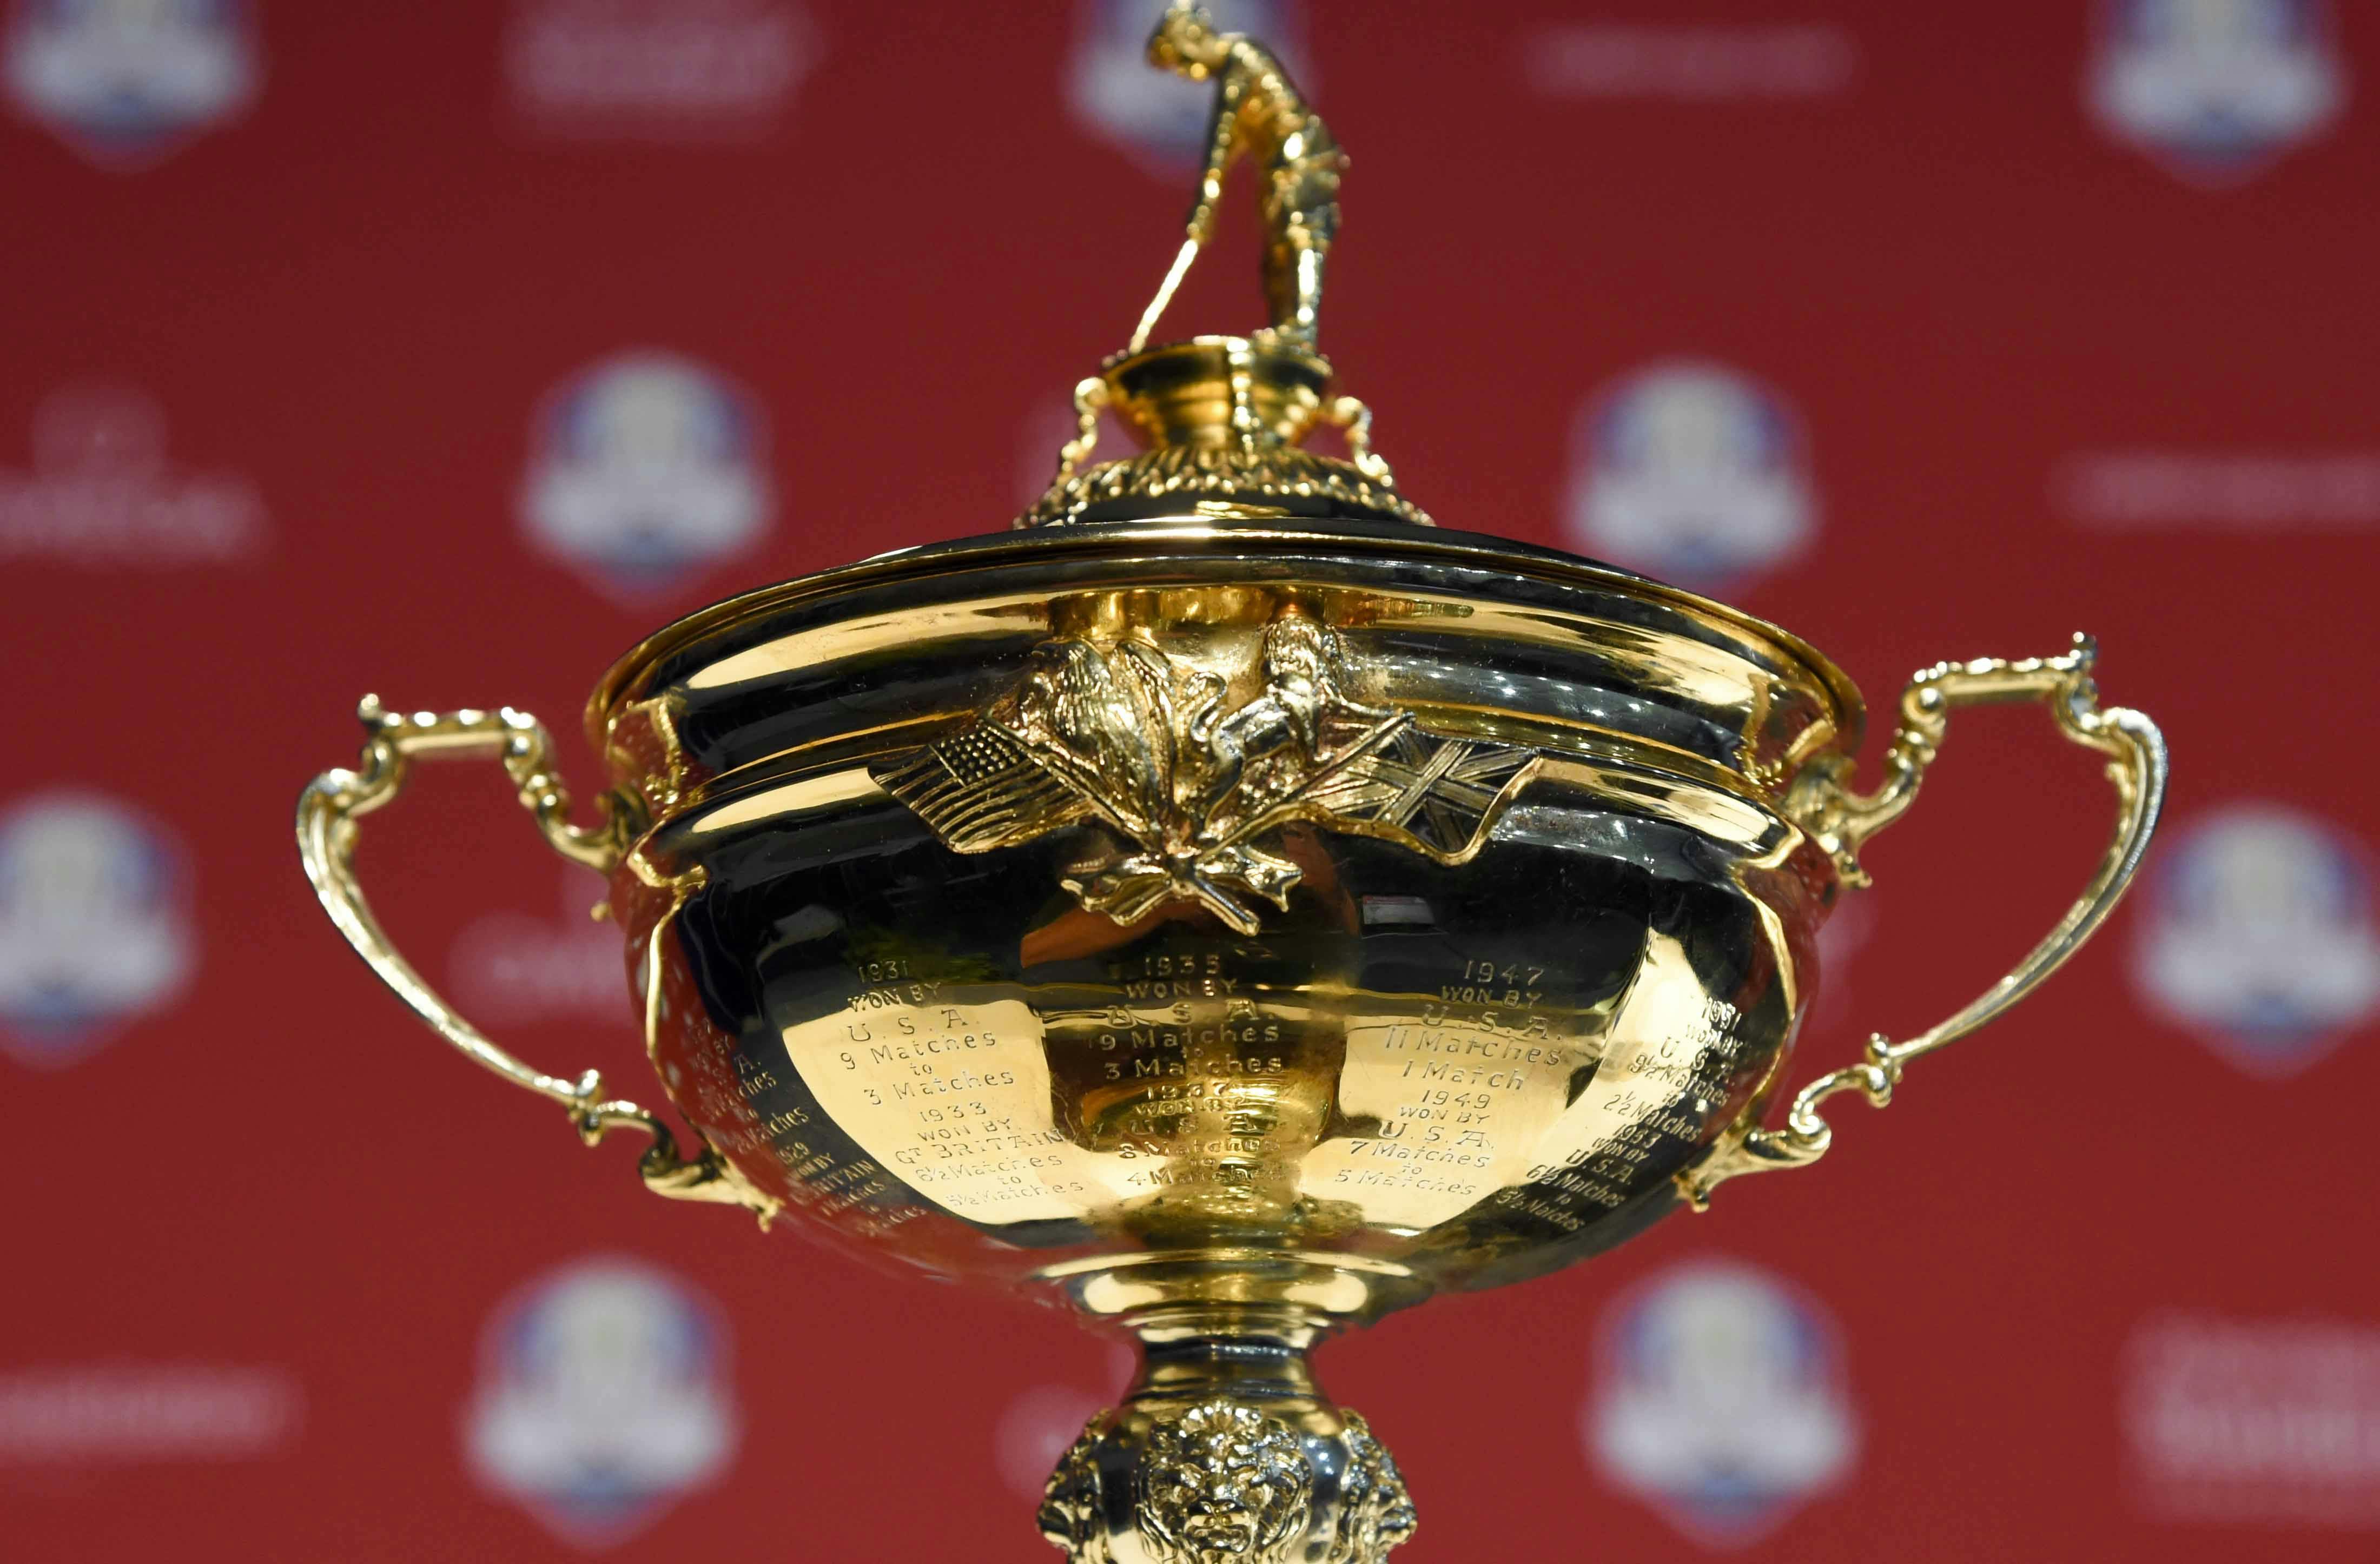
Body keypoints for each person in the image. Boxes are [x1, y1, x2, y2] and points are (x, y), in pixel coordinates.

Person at [1131, 3, 1349, 350]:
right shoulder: (1235, 64)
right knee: (1278, 251)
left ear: (1195, 36)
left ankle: (1302, 328)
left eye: (1183, 60)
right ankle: (1288, 328)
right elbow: (1231, 142)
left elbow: (1224, 133)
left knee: (1298, 234)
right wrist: (1208, 198)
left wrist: (1206, 200)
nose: (1187, 72)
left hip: (1302, 158)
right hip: (1280, 165)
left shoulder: (1242, 57)